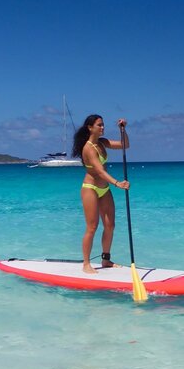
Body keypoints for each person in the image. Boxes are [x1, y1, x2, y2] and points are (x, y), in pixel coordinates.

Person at [71, 114, 130, 274]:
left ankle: (105, 259)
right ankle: (86, 264)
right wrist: (118, 183)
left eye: (103, 125)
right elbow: (100, 171)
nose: (102, 128)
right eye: (99, 125)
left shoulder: (102, 143)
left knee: (110, 226)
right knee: (92, 227)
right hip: (90, 188)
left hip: (104, 189)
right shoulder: (88, 148)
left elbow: (125, 145)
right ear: (90, 128)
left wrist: (122, 130)